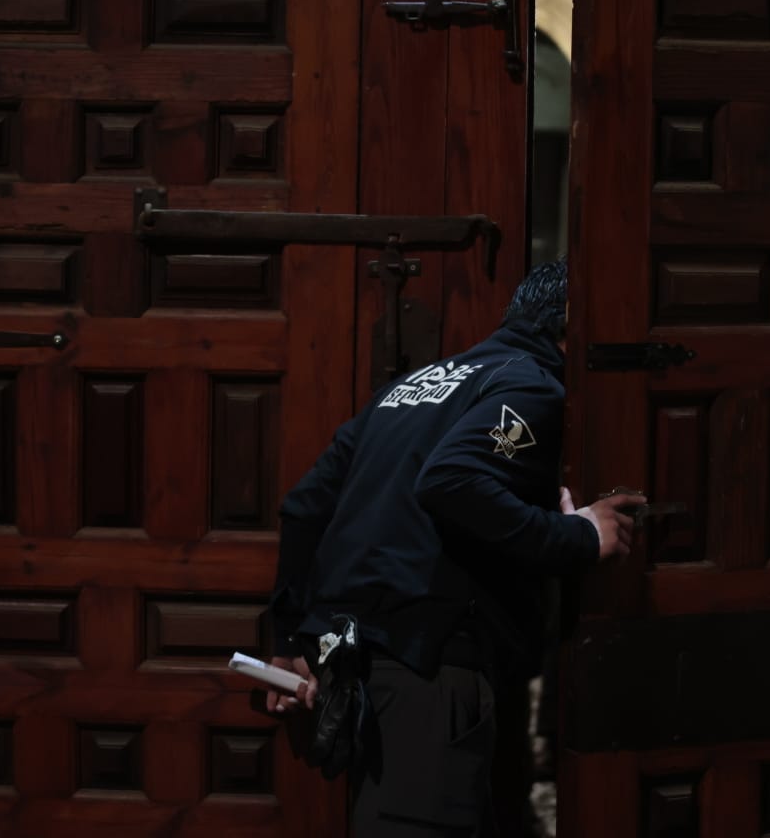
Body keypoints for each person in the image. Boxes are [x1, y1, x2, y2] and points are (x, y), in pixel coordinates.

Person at [266, 258, 642, 837]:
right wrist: (580, 536)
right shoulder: (533, 383)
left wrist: (289, 640)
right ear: (572, 325)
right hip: (427, 673)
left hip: (357, 666)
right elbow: (452, 481)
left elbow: (303, 507)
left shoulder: (413, 386)